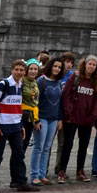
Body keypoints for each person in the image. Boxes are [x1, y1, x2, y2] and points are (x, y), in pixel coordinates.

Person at [0, 59, 38, 193]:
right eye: (17, 69)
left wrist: (21, 125)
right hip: (2, 126)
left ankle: (21, 182)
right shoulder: (3, 84)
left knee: (19, 155)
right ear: (12, 70)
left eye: (21, 70)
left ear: (24, 72)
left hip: (15, 126)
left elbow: (17, 107)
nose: (19, 72)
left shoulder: (20, 85)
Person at [56, 54, 97, 183]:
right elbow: (66, 95)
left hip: (87, 119)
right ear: (85, 64)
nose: (91, 66)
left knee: (83, 146)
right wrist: (68, 112)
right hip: (72, 117)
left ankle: (80, 171)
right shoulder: (75, 76)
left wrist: (93, 116)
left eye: (94, 65)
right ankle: (62, 171)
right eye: (90, 64)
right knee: (67, 145)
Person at [30, 57, 64, 185]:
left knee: (47, 148)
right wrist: (36, 119)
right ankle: (34, 175)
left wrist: (60, 119)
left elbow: (60, 103)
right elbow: (35, 102)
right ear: (50, 66)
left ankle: (42, 174)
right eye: (55, 66)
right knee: (38, 146)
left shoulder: (59, 82)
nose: (57, 69)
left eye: (59, 67)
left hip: (54, 119)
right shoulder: (41, 81)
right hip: (42, 118)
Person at [20, 59, 40, 161]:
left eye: (35, 69)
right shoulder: (21, 81)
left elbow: (35, 102)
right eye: (31, 69)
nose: (33, 71)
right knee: (19, 146)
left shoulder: (35, 82)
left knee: (24, 145)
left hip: (31, 118)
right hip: (21, 117)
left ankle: (19, 167)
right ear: (27, 70)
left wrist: (36, 120)